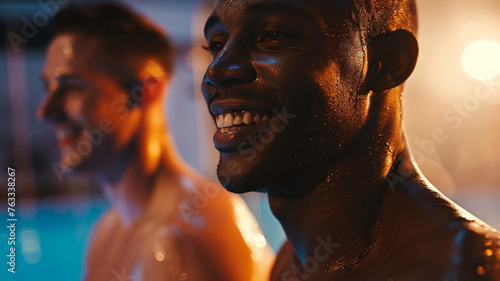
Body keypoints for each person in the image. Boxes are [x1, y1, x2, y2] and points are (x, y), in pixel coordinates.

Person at [201, 0, 500, 280]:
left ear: (386, 62)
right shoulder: (291, 263)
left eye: (273, 35)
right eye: (216, 45)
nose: (216, 71)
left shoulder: (462, 265)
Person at [37, 3, 273, 281]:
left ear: (144, 90)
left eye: (71, 86)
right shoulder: (106, 232)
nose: (46, 111)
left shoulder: (193, 229)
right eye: (48, 88)